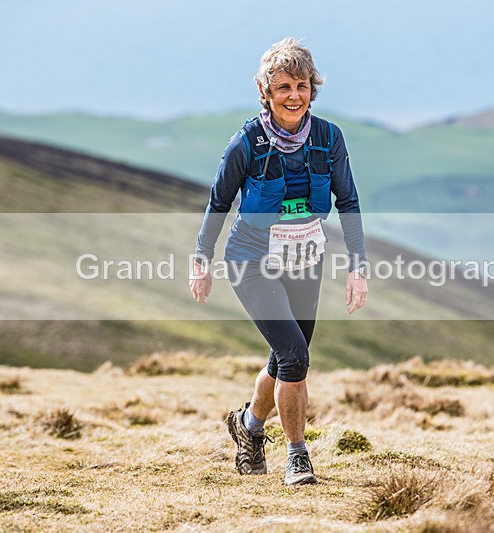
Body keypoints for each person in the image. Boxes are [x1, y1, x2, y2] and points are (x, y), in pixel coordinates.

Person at [190, 37, 368, 486]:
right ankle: (297, 456)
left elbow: (348, 202)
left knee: (286, 358)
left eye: (302, 85)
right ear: (264, 91)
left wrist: (358, 267)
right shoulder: (246, 143)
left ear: (312, 89)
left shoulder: (329, 138)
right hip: (251, 260)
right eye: (284, 86)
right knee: (294, 356)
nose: (294, 95)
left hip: (306, 259)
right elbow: (219, 202)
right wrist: (201, 259)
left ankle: (248, 425)